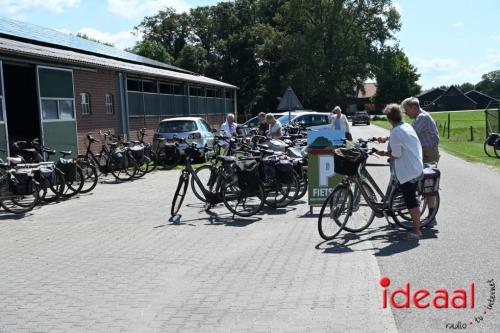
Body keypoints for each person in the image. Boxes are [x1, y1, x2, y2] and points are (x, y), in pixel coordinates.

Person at [379, 97, 440, 227]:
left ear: (413, 107)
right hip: (420, 152)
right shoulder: (415, 119)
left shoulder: (422, 117)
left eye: (406, 110)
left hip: (428, 153)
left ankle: (431, 215)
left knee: (427, 185)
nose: (405, 114)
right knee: (413, 183)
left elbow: (408, 133)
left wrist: (388, 145)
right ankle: (406, 205)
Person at [376, 104, 424, 240]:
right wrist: (386, 138)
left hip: (408, 170)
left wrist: (384, 152)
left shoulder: (396, 131)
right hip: (415, 166)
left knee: (411, 201)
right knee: (405, 195)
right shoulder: (406, 126)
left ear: (389, 118)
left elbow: (396, 154)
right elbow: (401, 138)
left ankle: (417, 231)